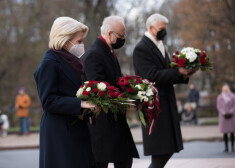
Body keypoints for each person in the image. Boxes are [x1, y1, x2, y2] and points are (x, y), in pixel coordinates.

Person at [133, 13, 197, 168]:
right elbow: (151, 75)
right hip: (154, 108)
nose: (164, 32)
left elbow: (166, 72)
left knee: (167, 150)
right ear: (150, 27)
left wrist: (185, 73)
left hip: (166, 103)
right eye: (162, 29)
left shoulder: (160, 45)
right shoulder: (141, 48)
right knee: (161, 153)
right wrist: (178, 72)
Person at [34, 17, 99, 168]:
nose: (82, 45)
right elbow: (48, 101)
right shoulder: (49, 63)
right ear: (64, 40)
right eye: (79, 41)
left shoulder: (71, 62)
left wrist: (90, 105)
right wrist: (81, 104)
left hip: (74, 128)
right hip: (59, 132)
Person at [81, 16, 139, 168]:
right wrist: (126, 99)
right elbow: (101, 91)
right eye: (121, 36)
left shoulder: (108, 51)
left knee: (126, 161)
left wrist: (134, 89)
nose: (123, 39)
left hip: (114, 123)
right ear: (109, 34)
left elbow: (114, 82)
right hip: (103, 126)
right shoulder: (94, 54)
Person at [217, 84, 235, 152]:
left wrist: (231, 112)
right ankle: (226, 147)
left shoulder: (233, 96)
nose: (225, 91)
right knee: (225, 133)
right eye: (224, 90)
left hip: (231, 116)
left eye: (226, 90)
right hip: (223, 117)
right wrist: (223, 112)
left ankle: (233, 147)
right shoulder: (220, 97)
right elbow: (218, 106)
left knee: (232, 132)